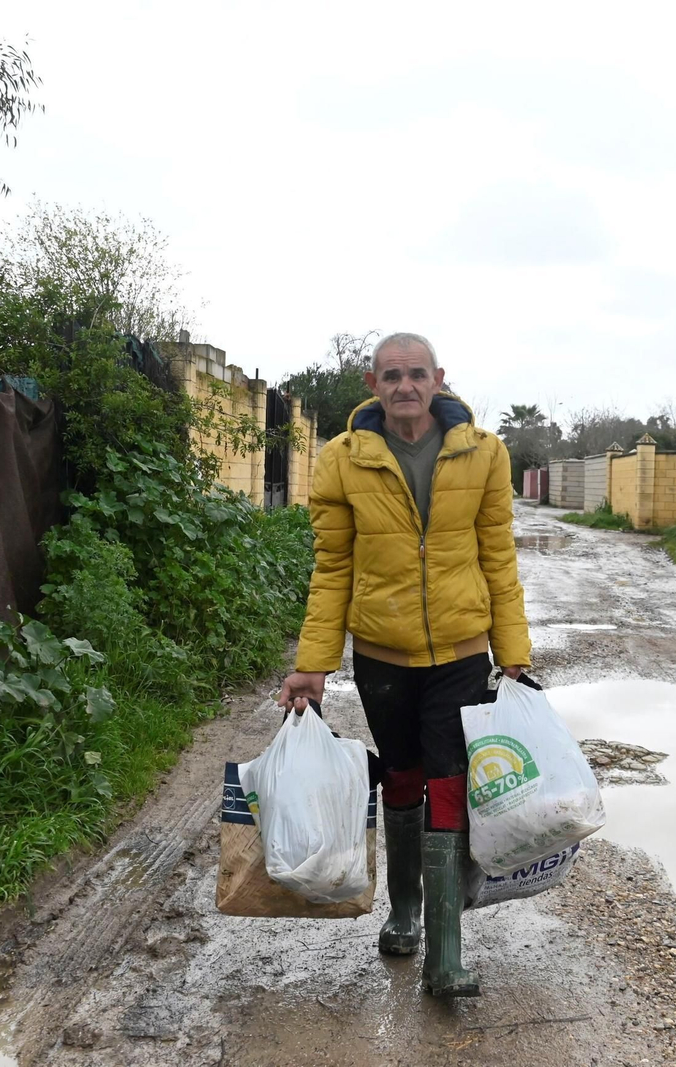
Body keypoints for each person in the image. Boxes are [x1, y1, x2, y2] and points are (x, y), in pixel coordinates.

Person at [277, 331, 531, 998]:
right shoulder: (342, 460)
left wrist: (515, 655)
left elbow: (499, 559)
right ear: (372, 383)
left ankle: (446, 956)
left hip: (459, 652)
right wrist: (312, 664)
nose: (405, 386)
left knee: (448, 780)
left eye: (416, 373)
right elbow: (332, 568)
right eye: (392, 374)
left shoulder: (484, 454)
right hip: (383, 656)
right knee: (401, 779)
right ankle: (405, 910)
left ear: (439, 378)